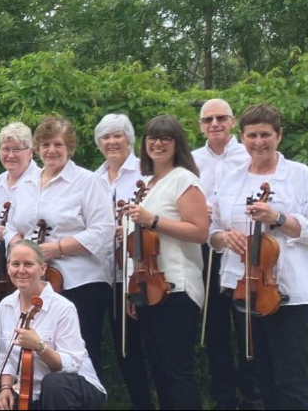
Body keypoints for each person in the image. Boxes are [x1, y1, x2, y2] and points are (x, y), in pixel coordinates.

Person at [210, 103, 308, 410]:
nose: (259, 142)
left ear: (279, 136)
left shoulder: (300, 176)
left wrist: (279, 218)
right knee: (259, 374)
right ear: (242, 137)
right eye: (252, 135)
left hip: (290, 289)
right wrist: (225, 237)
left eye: (266, 134)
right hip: (246, 288)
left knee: (289, 377)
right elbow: (212, 231)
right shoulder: (231, 179)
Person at [3, 116, 113, 371]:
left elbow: (103, 231)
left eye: (58, 145)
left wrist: (59, 248)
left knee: (81, 350)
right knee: (40, 346)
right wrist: (21, 245)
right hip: (38, 284)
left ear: (69, 148)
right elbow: (10, 226)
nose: (51, 150)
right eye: (45, 145)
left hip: (80, 282)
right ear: (37, 149)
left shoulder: (87, 182)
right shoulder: (26, 184)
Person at [120, 114, 208, 410]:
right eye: (152, 138)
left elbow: (200, 232)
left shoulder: (184, 179)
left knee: (176, 371)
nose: (157, 143)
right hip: (149, 288)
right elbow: (139, 246)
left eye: (165, 138)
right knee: (158, 370)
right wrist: (132, 289)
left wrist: (153, 220)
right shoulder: (146, 183)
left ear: (176, 144)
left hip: (176, 288)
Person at [192, 99, 258, 410]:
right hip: (206, 250)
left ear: (232, 122)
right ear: (200, 126)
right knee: (214, 328)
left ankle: (252, 393)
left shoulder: (248, 152)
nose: (214, 124)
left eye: (221, 118)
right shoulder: (191, 160)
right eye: (208, 119)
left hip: (242, 247)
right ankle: (224, 396)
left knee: (247, 325)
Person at [0, 241, 105, 410]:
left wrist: (39, 346)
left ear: (43, 269)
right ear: (8, 268)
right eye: (15, 264)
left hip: (74, 389)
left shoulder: (63, 307)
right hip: (29, 390)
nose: (21, 270)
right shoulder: (5, 305)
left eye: (28, 264)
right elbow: (4, 357)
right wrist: (5, 389)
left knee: (54, 383)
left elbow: (71, 364)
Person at [91, 113, 153, 410]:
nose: (112, 142)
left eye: (118, 136)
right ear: (98, 143)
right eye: (106, 137)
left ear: (129, 139)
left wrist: (129, 228)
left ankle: (144, 403)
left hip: (134, 273)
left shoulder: (146, 173)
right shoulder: (93, 179)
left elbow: (157, 216)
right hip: (100, 273)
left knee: (133, 349)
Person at [0, 122, 40, 291]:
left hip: (32, 271)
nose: (10, 155)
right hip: (4, 272)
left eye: (17, 149)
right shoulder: (0, 180)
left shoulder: (39, 180)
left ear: (30, 152)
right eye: (5, 149)